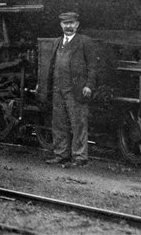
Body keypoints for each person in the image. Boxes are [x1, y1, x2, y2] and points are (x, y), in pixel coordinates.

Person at [45, 12, 97, 167]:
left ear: (77, 25)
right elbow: (52, 65)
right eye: (65, 23)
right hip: (58, 87)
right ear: (61, 25)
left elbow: (93, 66)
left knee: (78, 123)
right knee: (59, 123)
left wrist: (89, 85)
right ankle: (61, 154)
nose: (68, 26)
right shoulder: (57, 42)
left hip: (76, 88)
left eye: (71, 23)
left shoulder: (85, 42)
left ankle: (80, 157)